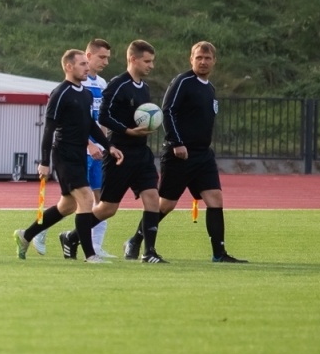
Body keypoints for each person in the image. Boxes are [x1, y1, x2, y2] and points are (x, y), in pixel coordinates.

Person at [127, 41, 247, 263]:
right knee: (166, 204)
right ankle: (135, 240)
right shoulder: (183, 82)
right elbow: (168, 110)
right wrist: (176, 142)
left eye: (207, 58)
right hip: (179, 154)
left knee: (215, 199)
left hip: (203, 155)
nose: (203, 62)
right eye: (198, 57)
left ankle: (219, 254)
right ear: (191, 59)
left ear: (214, 61)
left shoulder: (209, 88)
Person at [15, 49, 122, 261]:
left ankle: (25, 235)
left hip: (79, 154)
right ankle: (90, 255)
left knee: (68, 205)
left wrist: (108, 146)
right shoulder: (60, 93)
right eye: (82, 64)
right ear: (68, 67)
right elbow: (49, 129)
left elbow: (90, 125)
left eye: (86, 63)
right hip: (63, 154)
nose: (87, 67)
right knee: (86, 197)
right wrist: (44, 162)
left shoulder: (86, 93)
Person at [67, 39, 167, 263]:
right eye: (147, 61)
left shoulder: (145, 88)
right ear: (133, 59)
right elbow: (103, 116)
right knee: (107, 208)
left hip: (141, 153)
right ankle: (72, 237)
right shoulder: (118, 84)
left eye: (152, 61)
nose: (151, 66)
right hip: (120, 153)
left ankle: (149, 252)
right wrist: (127, 131)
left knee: (152, 198)